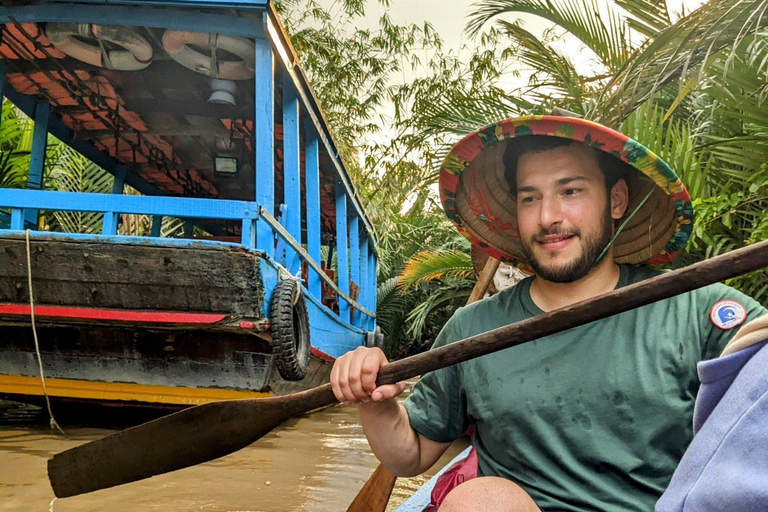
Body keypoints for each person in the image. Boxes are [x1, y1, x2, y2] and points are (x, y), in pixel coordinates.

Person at [330, 115, 767, 511]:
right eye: (529, 198)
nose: (548, 217)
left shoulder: (692, 309)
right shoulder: (473, 329)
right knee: (480, 502)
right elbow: (413, 455)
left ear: (616, 201)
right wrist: (376, 403)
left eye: (570, 191)